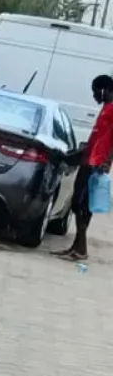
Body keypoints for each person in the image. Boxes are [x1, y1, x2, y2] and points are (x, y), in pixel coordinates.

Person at [58, 73, 113, 262]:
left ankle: (81, 249)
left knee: (80, 204)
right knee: (81, 204)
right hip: (88, 159)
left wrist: (106, 161)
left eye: (95, 92)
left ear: (104, 89)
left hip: (95, 163)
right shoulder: (106, 107)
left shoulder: (112, 108)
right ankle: (76, 246)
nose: (94, 96)